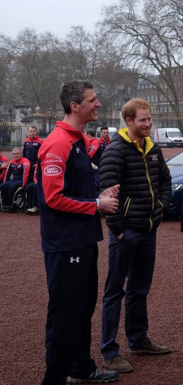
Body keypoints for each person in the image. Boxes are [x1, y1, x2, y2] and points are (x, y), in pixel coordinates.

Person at [38, 81, 120, 385]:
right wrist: (97, 205)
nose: (98, 104)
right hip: (65, 243)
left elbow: (74, 189)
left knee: (82, 309)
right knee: (65, 313)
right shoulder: (59, 143)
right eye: (92, 100)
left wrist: (99, 194)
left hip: (82, 239)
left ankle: (81, 367)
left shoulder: (78, 140)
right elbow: (53, 198)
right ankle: (54, 378)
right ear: (75, 106)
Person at [99, 98, 173, 373]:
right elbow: (108, 192)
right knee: (114, 291)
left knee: (140, 288)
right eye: (143, 120)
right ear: (129, 121)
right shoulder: (115, 151)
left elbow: (165, 181)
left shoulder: (153, 148)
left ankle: (138, 339)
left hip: (148, 229)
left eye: (149, 119)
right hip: (126, 232)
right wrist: (118, 229)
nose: (148, 124)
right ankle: (109, 350)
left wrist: (160, 207)